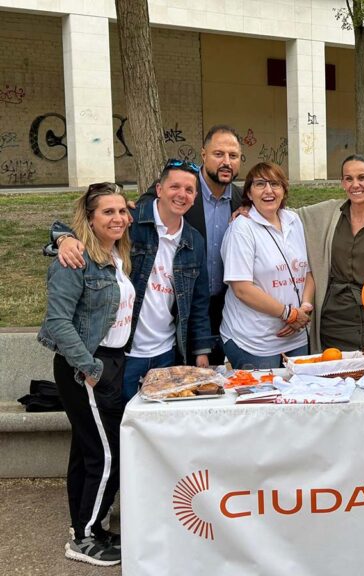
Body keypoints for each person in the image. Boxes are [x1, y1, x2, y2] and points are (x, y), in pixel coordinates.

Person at [54, 125, 242, 365]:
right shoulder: (143, 214)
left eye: (233, 156)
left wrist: (200, 348)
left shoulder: (240, 200)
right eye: (219, 154)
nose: (226, 161)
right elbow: (97, 225)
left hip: (210, 312)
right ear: (204, 155)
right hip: (136, 334)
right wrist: (62, 237)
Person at [54, 160, 213, 403]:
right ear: (159, 189)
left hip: (166, 353)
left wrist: (201, 351)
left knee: (159, 427)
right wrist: (62, 238)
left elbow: (199, 302)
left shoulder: (195, 240)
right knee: (118, 427)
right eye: (175, 187)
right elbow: (90, 230)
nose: (182, 195)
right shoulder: (131, 221)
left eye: (189, 190)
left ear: (195, 197)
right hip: (125, 353)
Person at [38, 183, 133, 566]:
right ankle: (84, 540)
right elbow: (58, 323)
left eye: (121, 211)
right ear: (89, 220)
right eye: (107, 212)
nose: (119, 218)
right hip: (86, 366)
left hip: (111, 363)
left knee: (86, 451)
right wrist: (90, 368)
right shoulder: (74, 261)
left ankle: (85, 525)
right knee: (107, 455)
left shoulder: (116, 256)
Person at [297, 155, 364, 361]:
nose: (355, 185)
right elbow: (286, 215)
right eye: (348, 179)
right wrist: (245, 207)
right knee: (334, 380)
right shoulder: (330, 212)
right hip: (334, 320)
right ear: (342, 183)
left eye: (361, 178)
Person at [220, 162, 314, 368]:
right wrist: (288, 314)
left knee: (299, 398)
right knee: (263, 399)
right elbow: (242, 289)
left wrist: (303, 310)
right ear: (249, 193)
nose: (269, 190)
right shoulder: (241, 228)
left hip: (296, 336)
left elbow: (307, 272)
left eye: (275, 184)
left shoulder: (294, 220)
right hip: (255, 342)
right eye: (260, 184)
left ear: (284, 190)